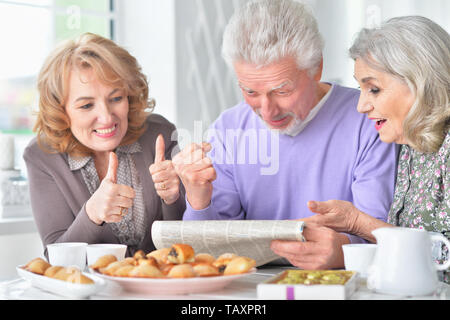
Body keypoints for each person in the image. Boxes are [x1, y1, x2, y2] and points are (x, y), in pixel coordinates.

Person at [173, 0, 399, 269]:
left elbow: (380, 234)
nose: (267, 110)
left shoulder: (369, 119)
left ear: (317, 69)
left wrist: (343, 252)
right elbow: (204, 256)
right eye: (250, 92)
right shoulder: (227, 129)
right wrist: (199, 198)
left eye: (282, 91)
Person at [303, 16, 450, 281]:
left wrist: (358, 223)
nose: (361, 106)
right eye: (361, 89)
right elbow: (417, 250)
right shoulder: (412, 145)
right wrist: (354, 222)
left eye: (374, 89)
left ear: (420, 82)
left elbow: (442, 262)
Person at [24, 33, 185, 257]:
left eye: (116, 98)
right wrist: (91, 214)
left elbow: (186, 243)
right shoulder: (42, 156)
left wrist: (172, 199)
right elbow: (56, 258)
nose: (107, 117)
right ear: (61, 112)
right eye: (87, 105)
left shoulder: (160, 134)